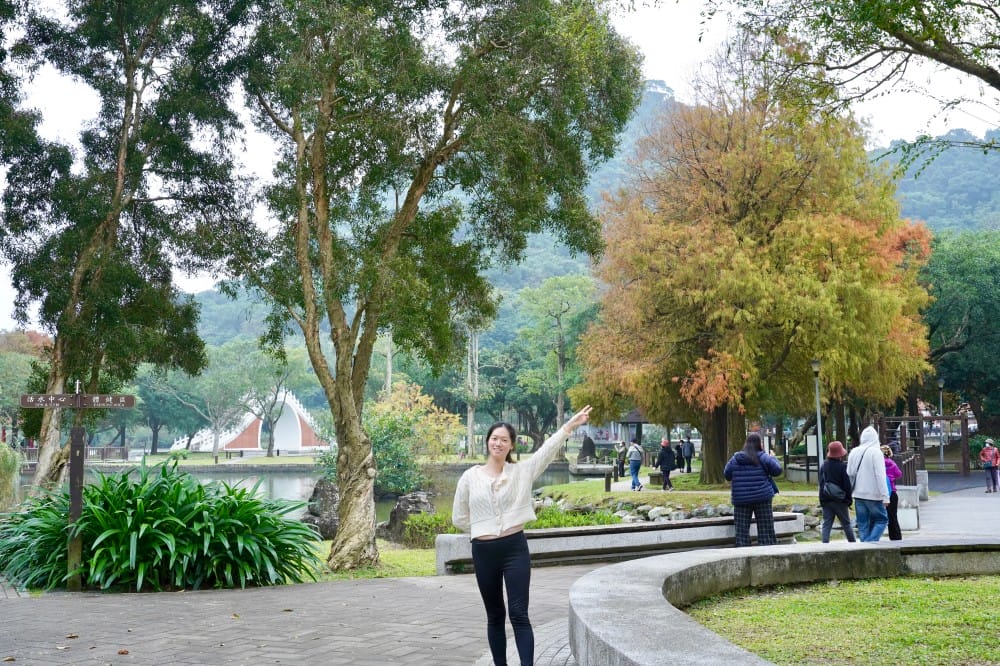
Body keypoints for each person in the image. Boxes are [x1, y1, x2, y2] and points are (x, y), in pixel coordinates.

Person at [452, 405, 593, 666]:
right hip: (483, 551)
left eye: (504, 440)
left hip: (514, 549)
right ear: (487, 442)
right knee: (495, 614)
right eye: (494, 438)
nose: (498, 443)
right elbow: (458, 517)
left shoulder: (522, 472)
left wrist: (569, 426)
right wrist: (483, 529)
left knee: (519, 613)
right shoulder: (470, 477)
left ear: (511, 445)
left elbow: (546, 452)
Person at [723, 432, 783, 547]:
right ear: (759, 444)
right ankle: (767, 557)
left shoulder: (736, 458)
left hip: (741, 499)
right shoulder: (763, 457)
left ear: (746, 443)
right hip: (762, 497)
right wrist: (773, 457)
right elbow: (777, 470)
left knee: (742, 532)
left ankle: (744, 556)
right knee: (766, 531)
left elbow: (727, 474)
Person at [846, 425, 890, 542]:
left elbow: (849, 472)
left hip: (858, 494)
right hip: (874, 495)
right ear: (876, 438)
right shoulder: (876, 453)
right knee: (882, 520)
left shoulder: (854, 451)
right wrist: (885, 496)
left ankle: (864, 549)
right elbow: (880, 476)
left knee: (863, 524)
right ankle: (870, 544)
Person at [818, 440, 856, 543]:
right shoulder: (843, 467)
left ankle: (825, 545)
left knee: (826, 524)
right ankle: (853, 544)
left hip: (826, 500)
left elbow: (821, 484)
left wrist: (822, 500)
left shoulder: (824, 466)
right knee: (846, 524)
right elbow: (847, 486)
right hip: (840, 501)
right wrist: (848, 500)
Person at [881, 445, 903, 541]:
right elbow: (899, 474)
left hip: (881, 492)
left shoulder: (878, 464)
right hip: (892, 492)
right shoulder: (892, 463)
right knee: (893, 516)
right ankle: (896, 536)